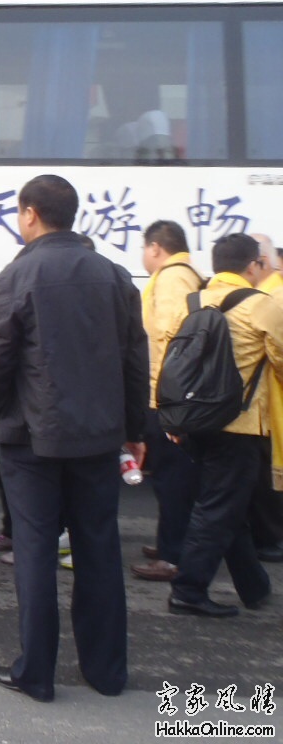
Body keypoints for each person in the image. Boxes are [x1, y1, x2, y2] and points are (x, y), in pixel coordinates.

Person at [0, 174, 147, 702]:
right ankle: (106, 673)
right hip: (98, 437)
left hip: (30, 436)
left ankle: (37, 673)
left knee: (34, 551)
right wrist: (135, 431)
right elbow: (133, 361)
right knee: (98, 549)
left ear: (30, 214)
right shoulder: (115, 275)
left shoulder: (16, 275)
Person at [169, 232, 280, 618]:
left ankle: (254, 586)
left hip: (196, 419)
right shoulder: (260, 305)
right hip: (240, 424)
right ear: (253, 266)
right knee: (218, 507)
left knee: (227, 504)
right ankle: (188, 589)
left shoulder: (193, 300)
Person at [131, 220, 203, 583]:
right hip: (170, 395)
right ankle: (171, 544)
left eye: (145, 249)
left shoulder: (172, 277)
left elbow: (174, 339)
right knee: (169, 476)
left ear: (156, 248)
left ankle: (173, 556)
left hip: (169, 398)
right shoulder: (182, 274)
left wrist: (166, 399)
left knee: (172, 479)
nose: (144, 256)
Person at [248, 234, 283, 564]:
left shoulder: (272, 297)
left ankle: (272, 539)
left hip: (272, 401)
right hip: (267, 402)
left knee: (268, 475)